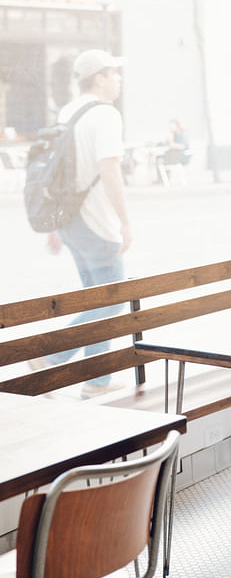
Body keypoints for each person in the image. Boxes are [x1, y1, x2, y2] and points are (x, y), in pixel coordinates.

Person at [36, 49, 131, 397]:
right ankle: (52, 355)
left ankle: (96, 380)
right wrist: (125, 221)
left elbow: (52, 170)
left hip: (69, 221)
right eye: (114, 73)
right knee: (114, 299)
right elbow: (109, 169)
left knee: (96, 299)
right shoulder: (105, 114)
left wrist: (52, 224)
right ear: (99, 78)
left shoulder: (68, 111)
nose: (119, 79)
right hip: (95, 221)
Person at [155, 118, 190, 183]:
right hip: (173, 155)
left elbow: (182, 146)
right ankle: (164, 179)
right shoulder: (173, 134)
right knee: (158, 158)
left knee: (160, 160)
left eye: (172, 126)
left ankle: (163, 180)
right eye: (170, 126)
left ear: (177, 126)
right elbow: (167, 145)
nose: (170, 128)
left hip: (180, 157)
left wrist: (171, 142)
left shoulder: (181, 134)